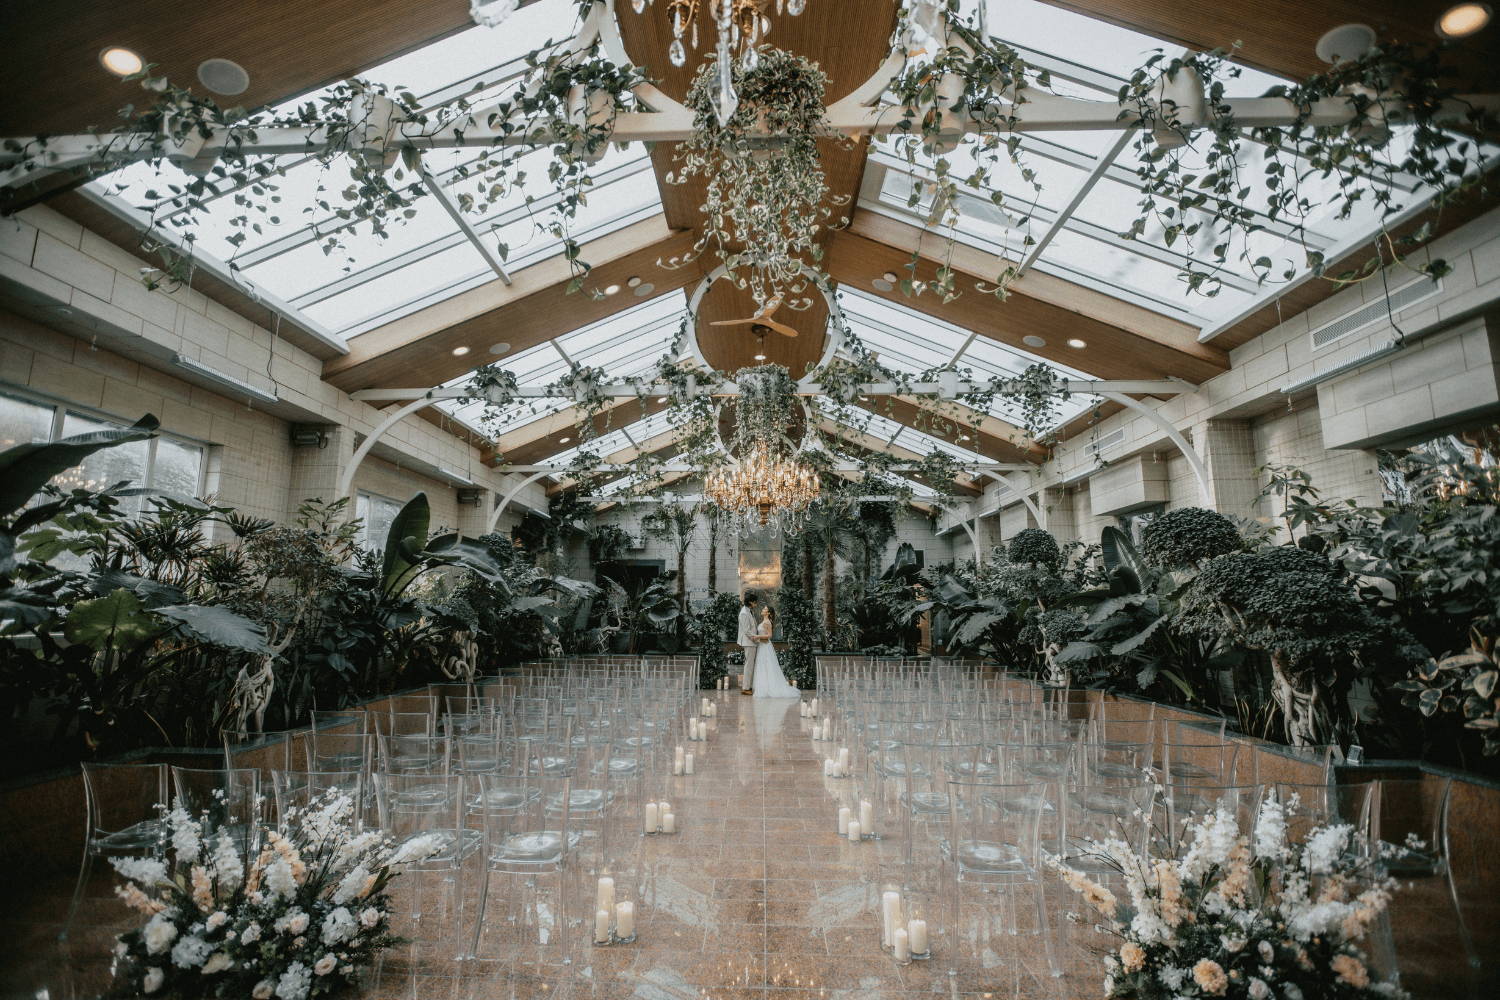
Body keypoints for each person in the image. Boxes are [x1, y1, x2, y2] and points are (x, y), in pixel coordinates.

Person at [752, 606, 799, 699]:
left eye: (764, 609)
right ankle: (764, 687)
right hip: (762, 645)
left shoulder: (767, 622)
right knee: (763, 666)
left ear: (768, 613)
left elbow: (769, 635)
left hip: (765, 646)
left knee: (767, 666)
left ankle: (768, 688)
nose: (762, 610)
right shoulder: (764, 621)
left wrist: (757, 636)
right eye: (763, 608)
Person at [736, 590, 761, 695]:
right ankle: (746, 688)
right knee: (749, 665)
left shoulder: (749, 611)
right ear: (751, 602)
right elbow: (746, 630)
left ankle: (748, 685)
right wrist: (756, 638)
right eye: (755, 602)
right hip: (749, 642)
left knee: (750, 664)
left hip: (752, 642)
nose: (756, 604)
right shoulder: (744, 613)